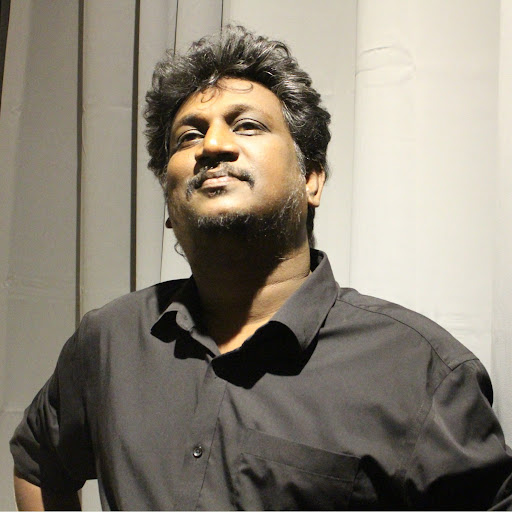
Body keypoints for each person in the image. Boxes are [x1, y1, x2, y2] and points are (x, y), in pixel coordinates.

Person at [10, 25, 512, 510]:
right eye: (189, 136)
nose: (212, 146)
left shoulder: (421, 373)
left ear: (312, 179)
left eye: (247, 125)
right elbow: (38, 465)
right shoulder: (109, 340)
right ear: (167, 201)